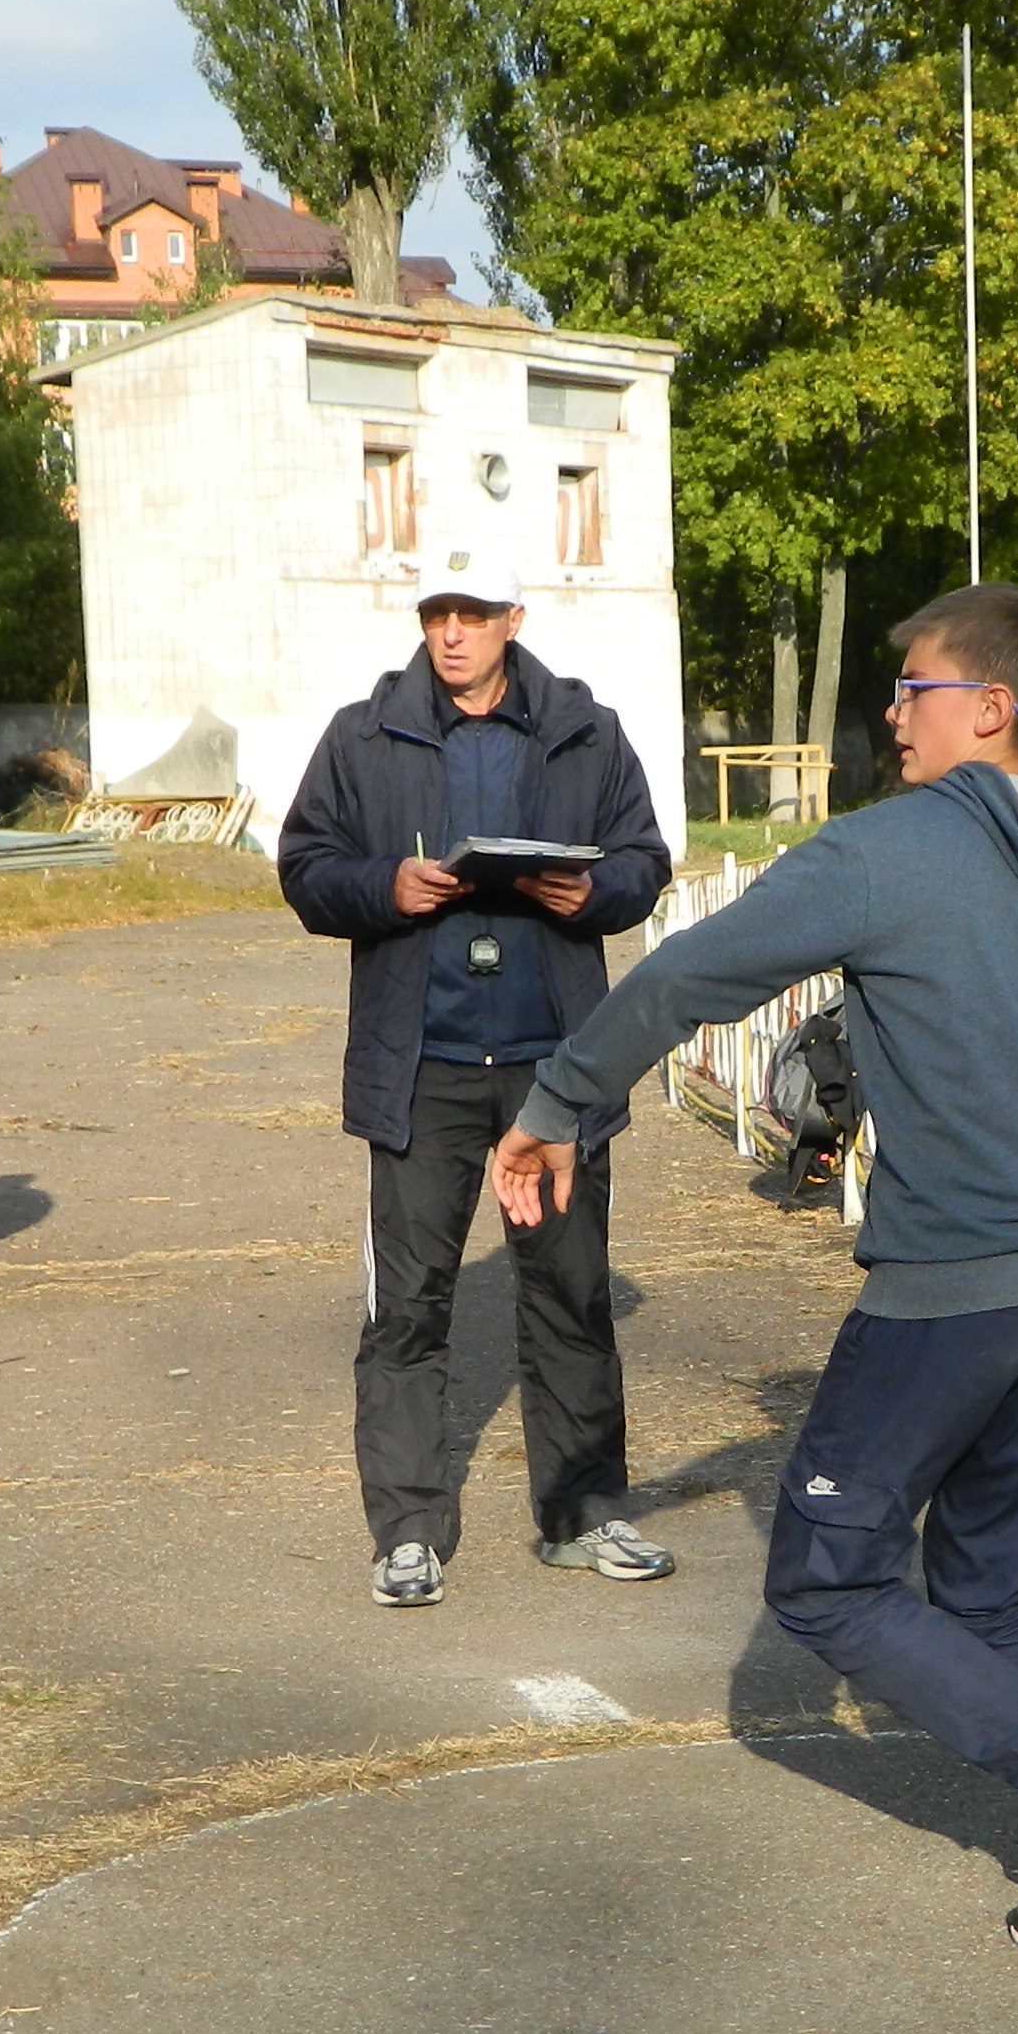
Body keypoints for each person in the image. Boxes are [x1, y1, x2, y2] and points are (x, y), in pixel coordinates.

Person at [485, 583, 1018, 1992]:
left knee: (827, 1583)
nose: (892, 712)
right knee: (994, 1591)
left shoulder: (889, 851)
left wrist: (558, 1102)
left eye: (914, 690)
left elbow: (685, 976)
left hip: (953, 1284)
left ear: (991, 708)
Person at [276, 572, 678, 1606]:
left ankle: (583, 1514)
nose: (451, 637)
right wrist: (384, 887)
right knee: (408, 1308)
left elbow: (646, 856)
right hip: (422, 1072)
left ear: (512, 623)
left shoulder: (587, 730)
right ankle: (408, 1530)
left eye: (471, 617)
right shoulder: (365, 735)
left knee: (572, 1296)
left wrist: (597, 891)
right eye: (435, 618)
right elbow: (306, 865)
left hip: (558, 1068)